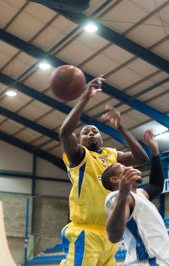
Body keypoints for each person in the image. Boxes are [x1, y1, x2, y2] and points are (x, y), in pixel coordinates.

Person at [59, 76, 149, 266]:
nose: (91, 133)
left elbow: (142, 158)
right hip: (84, 231)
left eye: (95, 131)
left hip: (109, 235)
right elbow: (65, 133)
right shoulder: (78, 156)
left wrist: (121, 127)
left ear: (102, 138)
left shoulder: (111, 154)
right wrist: (85, 97)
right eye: (85, 132)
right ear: (80, 141)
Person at [102, 129, 169, 265]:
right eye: (123, 166)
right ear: (115, 179)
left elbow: (156, 186)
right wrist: (123, 194)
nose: (130, 166)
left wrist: (155, 152)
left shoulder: (138, 194)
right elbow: (114, 235)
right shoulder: (117, 197)